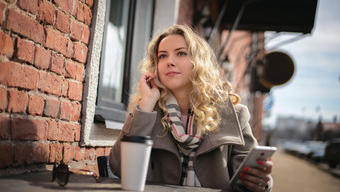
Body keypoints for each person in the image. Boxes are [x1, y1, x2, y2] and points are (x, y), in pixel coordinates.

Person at [109, 25, 273, 191]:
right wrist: (146, 104)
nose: (169, 62)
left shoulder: (234, 115)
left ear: (199, 62)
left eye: (181, 53)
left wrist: (261, 182)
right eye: (162, 56)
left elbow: (248, 177)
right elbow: (119, 167)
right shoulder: (148, 113)